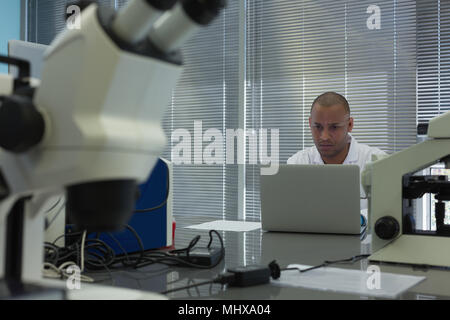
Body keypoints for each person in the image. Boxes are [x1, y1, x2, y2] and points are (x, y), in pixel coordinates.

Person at [287, 91, 387, 212]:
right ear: (310, 124)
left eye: (334, 127)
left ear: (350, 125)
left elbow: (384, 214)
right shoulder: (297, 163)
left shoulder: (376, 161)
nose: (324, 137)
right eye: (318, 127)